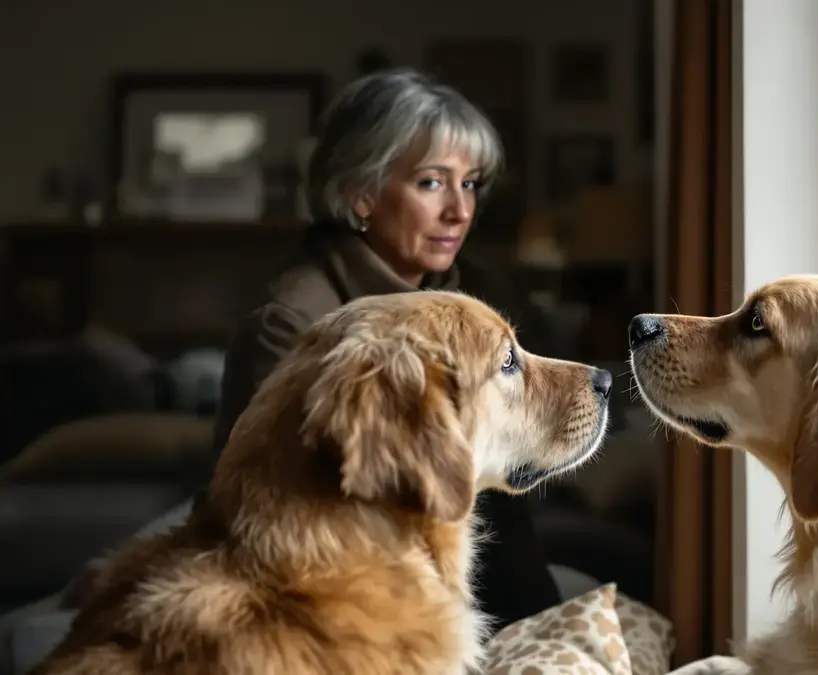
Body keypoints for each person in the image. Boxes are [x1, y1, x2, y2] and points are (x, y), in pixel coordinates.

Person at [208, 68, 562, 629]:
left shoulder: (477, 290)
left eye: (469, 183)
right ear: (361, 194)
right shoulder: (292, 324)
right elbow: (292, 522)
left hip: (490, 586)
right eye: (431, 182)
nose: (460, 211)